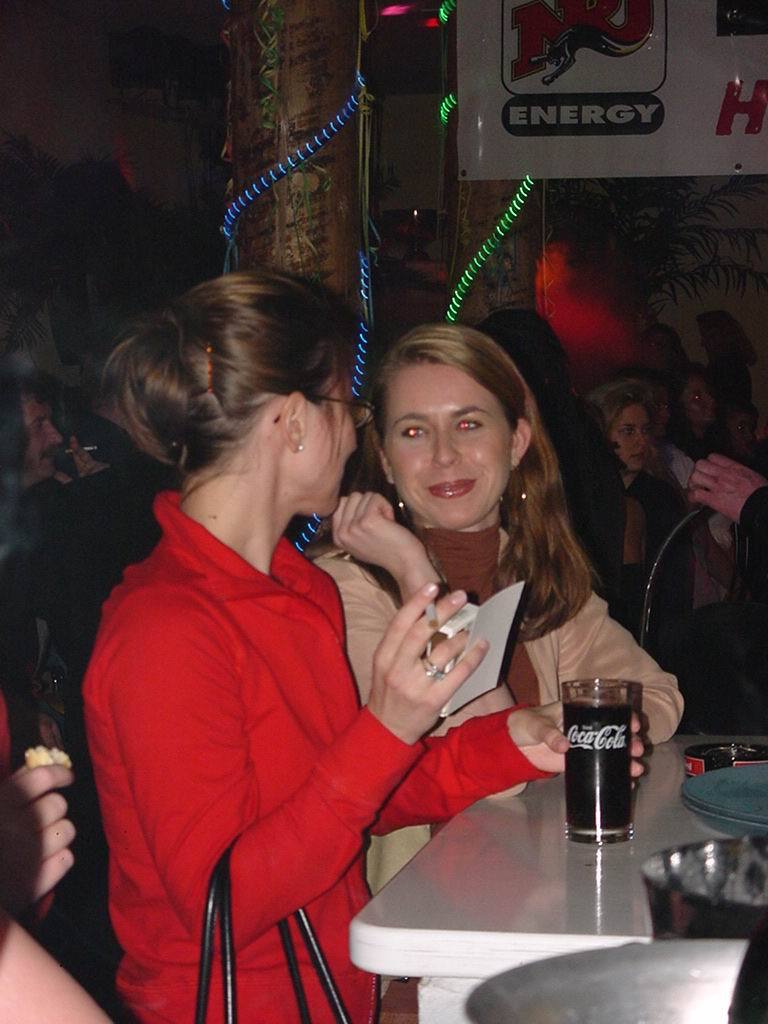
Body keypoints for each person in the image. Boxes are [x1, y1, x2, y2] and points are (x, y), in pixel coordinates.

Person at [82, 271, 615, 1024]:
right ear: (295, 422)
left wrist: (513, 741)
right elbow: (220, 904)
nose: (357, 431)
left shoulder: (298, 591)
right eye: (348, 407)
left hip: (334, 989)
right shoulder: (166, 628)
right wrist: (389, 724)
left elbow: (359, 801)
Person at [316, 324, 680, 891]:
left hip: (550, 889)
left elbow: (656, 697)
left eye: (468, 424)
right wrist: (416, 575)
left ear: (516, 441)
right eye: (414, 431)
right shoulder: (346, 587)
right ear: (385, 460)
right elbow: (498, 763)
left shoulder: (535, 570)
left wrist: (565, 734)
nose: (443, 455)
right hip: (419, 914)